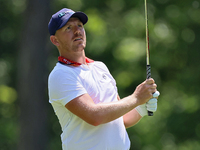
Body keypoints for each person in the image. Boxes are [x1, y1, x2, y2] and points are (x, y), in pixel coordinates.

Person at [48, 8, 160, 150]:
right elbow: (95, 116)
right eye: (68, 28)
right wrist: (136, 98)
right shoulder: (61, 74)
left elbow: (121, 119)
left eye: (80, 26)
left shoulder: (100, 67)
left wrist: (141, 107)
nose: (77, 31)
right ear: (55, 40)